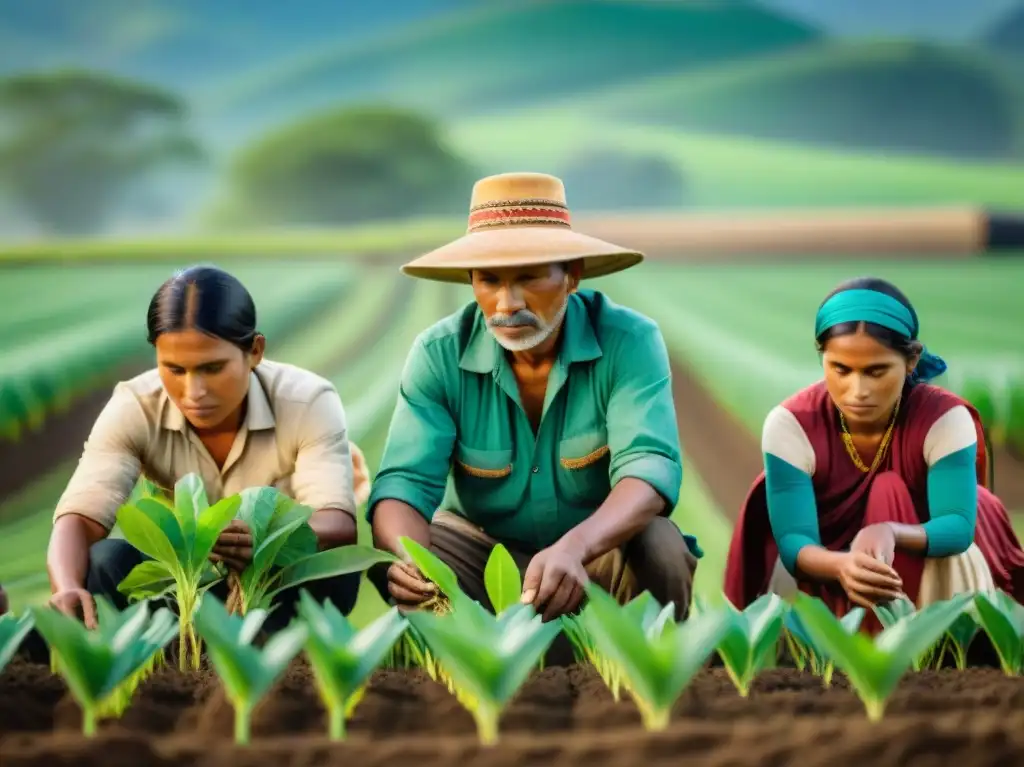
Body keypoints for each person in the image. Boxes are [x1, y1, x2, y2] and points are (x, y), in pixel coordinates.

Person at [366, 171, 700, 626]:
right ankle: (459, 679)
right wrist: (414, 562)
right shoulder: (438, 353)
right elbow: (403, 484)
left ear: (572, 276)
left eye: (530, 278)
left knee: (660, 546)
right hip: (482, 555)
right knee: (398, 560)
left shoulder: (629, 340)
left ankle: (640, 674)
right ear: (471, 282)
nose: (508, 303)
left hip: (595, 555)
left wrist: (574, 548)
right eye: (489, 281)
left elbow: (649, 470)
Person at [43, 265, 371, 632]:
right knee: (105, 561)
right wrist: (67, 586)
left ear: (255, 351)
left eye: (212, 368)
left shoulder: (307, 400)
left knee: (334, 569)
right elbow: (78, 520)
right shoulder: (135, 406)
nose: (193, 391)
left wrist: (261, 535)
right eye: (175, 369)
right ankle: (167, 655)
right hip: (180, 585)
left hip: (275, 583)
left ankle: (283, 659)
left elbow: (337, 523)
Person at [723, 276, 1024, 630]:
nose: (858, 390)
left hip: (928, 564)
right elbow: (794, 542)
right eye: (841, 370)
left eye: (876, 371)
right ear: (823, 358)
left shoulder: (942, 418)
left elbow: (957, 526)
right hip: (825, 569)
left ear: (911, 362)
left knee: (890, 490)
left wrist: (890, 531)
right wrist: (841, 566)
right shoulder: (792, 423)